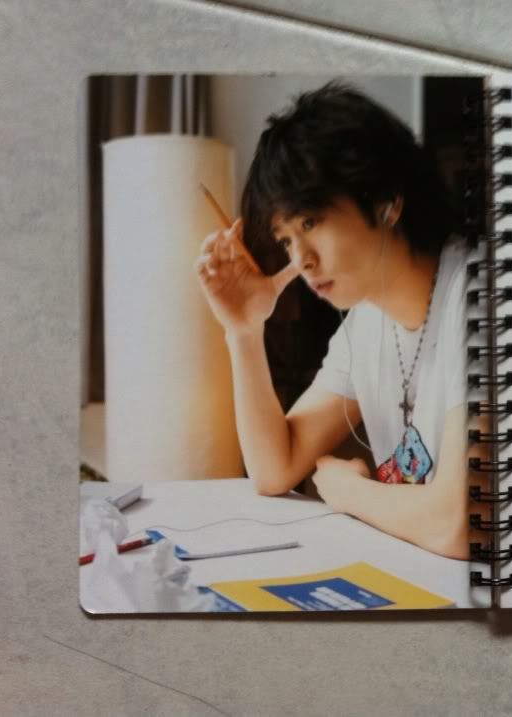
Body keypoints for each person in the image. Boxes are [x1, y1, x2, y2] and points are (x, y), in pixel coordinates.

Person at [194, 82, 485, 560]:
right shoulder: (367, 320)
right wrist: (243, 331)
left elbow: (463, 525)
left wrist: (347, 492)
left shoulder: (478, 294)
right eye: (286, 239)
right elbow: (274, 469)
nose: (301, 259)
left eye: (310, 223)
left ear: (386, 202)